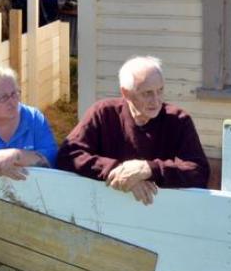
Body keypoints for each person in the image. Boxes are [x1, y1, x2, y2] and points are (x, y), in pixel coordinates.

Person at [56, 56, 210, 205]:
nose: (156, 101)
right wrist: (119, 172)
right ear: (126, 93)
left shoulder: (178, 120)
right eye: (147, 93)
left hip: (162, 212)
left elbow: (199, 172)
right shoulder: (103, 113)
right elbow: (68, 155)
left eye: (160, 90)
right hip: (105, 210)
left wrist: (149, 169)